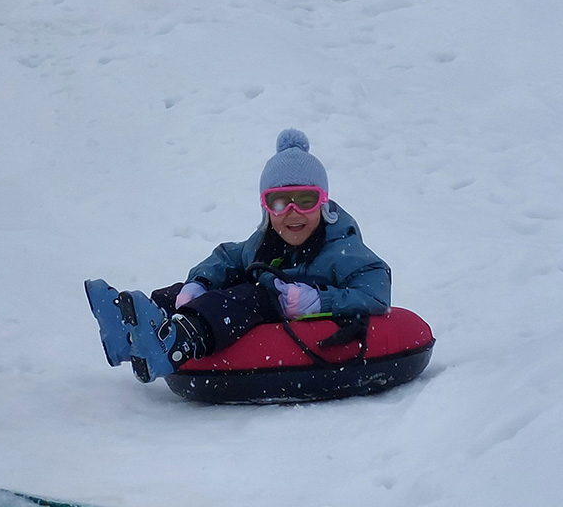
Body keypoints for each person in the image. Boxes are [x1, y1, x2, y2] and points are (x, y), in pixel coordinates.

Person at [85, 129, 391, 384]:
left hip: (276, 309)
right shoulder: (264, 242)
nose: (293, 212)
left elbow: (376, 289)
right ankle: (130, 334)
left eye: (306, 200)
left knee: (249, 296)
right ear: (266, 208)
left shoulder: (340, 247)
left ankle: (178, 341)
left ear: (323, 204)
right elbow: (228, 257)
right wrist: (199, 282)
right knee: (191, 291)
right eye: (280, 201)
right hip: (261, 302)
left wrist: (319, 300)